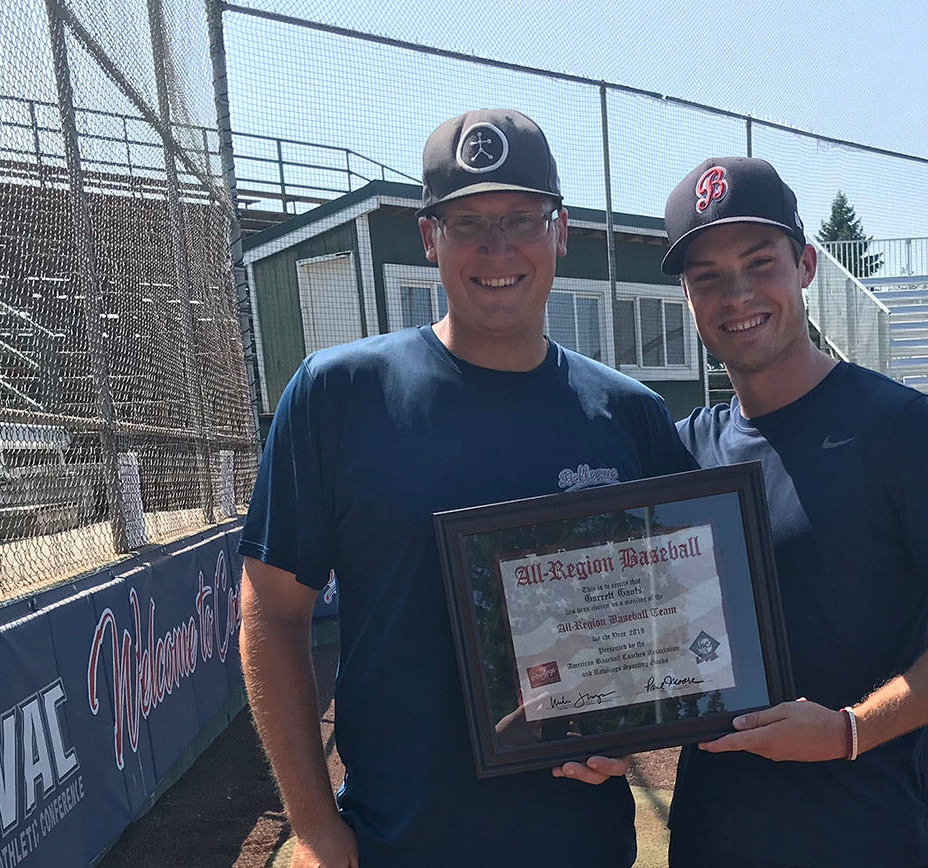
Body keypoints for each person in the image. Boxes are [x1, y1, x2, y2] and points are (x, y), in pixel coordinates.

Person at [238, 108, 692, 868]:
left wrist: (638, 727)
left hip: (581, 844)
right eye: (467, 222)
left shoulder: (629, 415)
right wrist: (315, 828)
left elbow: (679, 621)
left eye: (520, 218)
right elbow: (272, 613)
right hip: (398, 842)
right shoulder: (338, 395)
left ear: (559, 231)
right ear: (429, 238)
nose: (496, 247)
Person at [660, 157, 928, 868]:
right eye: (706, 276)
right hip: (711, 838)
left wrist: (848, 730)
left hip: (857, 838)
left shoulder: (899, 428)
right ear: (688, 297)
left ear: (804, 265)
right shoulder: (685, 451)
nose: (736, 293)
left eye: (758, 261)